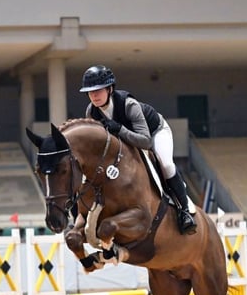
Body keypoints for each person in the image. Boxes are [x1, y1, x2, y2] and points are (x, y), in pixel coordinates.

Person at [79, 65, 197, 235]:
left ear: (110, 89)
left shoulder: (128, 104)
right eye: (90, 92)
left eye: (98, 90)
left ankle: (184, 210)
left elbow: (146, 142)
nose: (94, 95)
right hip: (125, 142)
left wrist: (119, 129)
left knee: (166, 164)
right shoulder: (92, 112)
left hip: (155, 132)